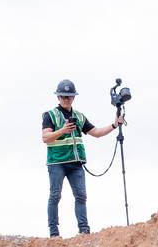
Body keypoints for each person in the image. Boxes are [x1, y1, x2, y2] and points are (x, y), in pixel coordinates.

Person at [41, 78, 123, 236]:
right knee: (55, 195)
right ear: (58, 97)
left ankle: (84, 231)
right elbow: (46, 138)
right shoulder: (50, 115)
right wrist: (63, 130)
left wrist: (114, 125)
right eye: (64, 96)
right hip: (57, 162)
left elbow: (97, 133)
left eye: (69, 96)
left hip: (76, 163)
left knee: (81, 195)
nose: (66, 99)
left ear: (73, 97)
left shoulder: (79, 116)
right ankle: (54, 233)